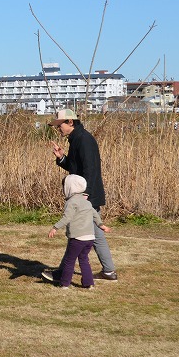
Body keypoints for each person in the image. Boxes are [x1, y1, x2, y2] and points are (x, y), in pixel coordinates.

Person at [48, 109, 118, 281]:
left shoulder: (84, 140)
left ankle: (61, 273)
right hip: (86, 195)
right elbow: (75, 169)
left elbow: (90, 170)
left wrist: (85, 195)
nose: (58, 129)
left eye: (60, 125)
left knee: (76, 234)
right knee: (93, 234)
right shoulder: (76, 139)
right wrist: (62, 158)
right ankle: (109, 271)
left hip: (87, 196)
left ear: (71, 122)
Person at [43, 174, 111, 289]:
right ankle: (89, 284)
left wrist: (55, 227)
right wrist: (101, 225)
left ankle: (64, 283)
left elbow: (67, 218)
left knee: (69, 261)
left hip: (77, 238)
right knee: (84, 260)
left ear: (69, 188)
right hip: (90, 238)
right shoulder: (87, 202)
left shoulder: (71, 202)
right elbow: (95, 214)